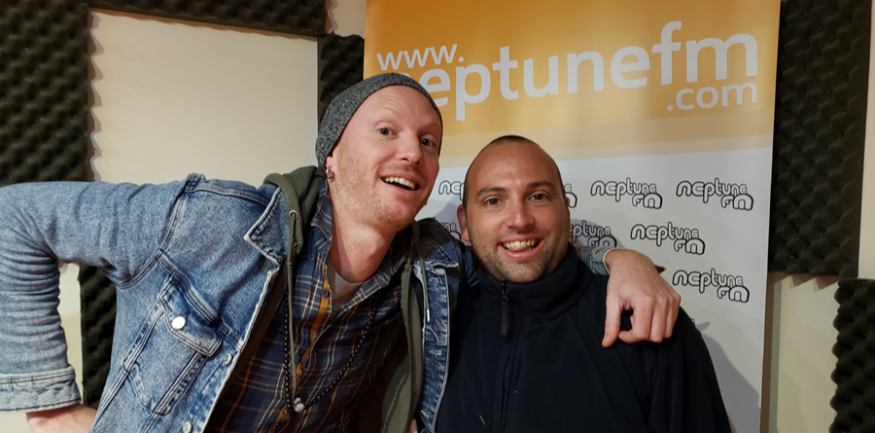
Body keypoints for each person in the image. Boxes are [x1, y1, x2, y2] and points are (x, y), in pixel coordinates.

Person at [0, 74, 678, 433]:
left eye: (429, 141)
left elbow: (520, 237)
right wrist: (50, 407)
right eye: (386, 131)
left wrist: (622, 259)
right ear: (331, 156)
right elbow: (17, 218)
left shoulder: (432, 262)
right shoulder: (211, 220)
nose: (412, 151)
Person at [434, 136, 730, 433]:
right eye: (493, 201)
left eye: (538, 196)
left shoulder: (646, 320)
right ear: (465, 223)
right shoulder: (440, 328)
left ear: (565, 210)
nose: (520, 220)